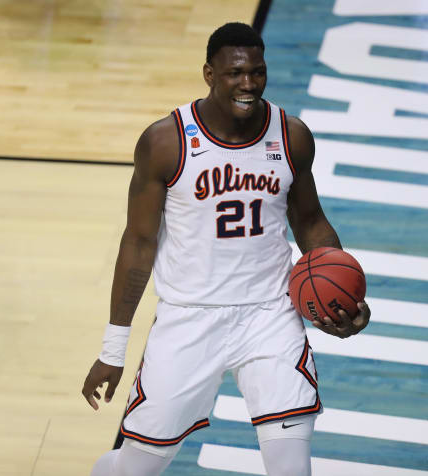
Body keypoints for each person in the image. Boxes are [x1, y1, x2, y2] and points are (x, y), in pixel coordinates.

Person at [82, 22, 371, 476]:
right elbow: (138, 244)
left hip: (270, 315)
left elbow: (311, 222)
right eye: (236, 73)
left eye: (258, 72)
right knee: (136, 468)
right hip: (189, 317)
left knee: (292, 469)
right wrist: (113, 349)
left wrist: (346, 299)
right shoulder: (166, 142)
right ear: (209, 74)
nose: (249, 84)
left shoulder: (290, 135)